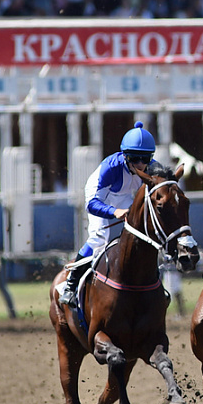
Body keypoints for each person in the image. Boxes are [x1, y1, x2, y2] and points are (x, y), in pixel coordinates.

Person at [59, 121, 159, 307]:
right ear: (124, 155)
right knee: (99, 236)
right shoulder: (110, 168)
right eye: (134, 158)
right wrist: (114, 211)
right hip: (101, 196)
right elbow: (92, 204)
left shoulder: (153, 166)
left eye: (145, 159)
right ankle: (70, 286)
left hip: (124, 196)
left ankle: (154, 282)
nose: (140, 164)